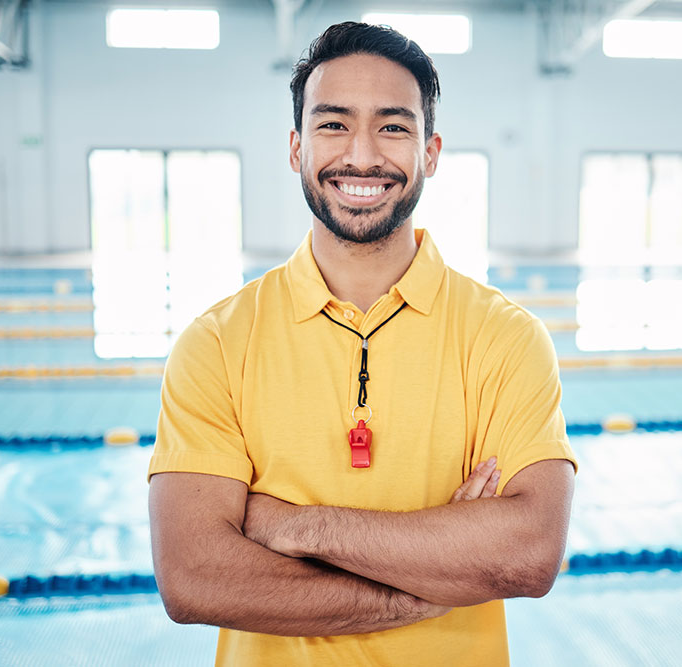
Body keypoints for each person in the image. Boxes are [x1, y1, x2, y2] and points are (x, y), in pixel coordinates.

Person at [148, 21, 576, 666]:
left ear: (430, 152)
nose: (363, 155)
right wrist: (428, 585)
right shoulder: (216, 342)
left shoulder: (504, 337)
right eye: (333, 124)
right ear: (296, 148)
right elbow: (193, 578)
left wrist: (293, 526)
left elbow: (528, 555)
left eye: (394, 127)